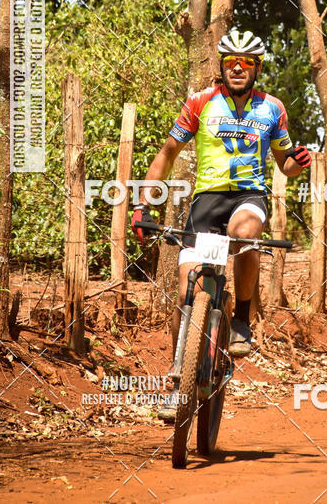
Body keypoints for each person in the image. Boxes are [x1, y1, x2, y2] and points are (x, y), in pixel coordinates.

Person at [131, 28, 311, 420]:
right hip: (206, 200)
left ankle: (242, 317)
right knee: (186, 288)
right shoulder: (200, 102)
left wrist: (298, 161)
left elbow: (286, 165)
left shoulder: (272, 109)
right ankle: (177, 378)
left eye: (247, 62)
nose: (238, 68)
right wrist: (143, 204)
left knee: (244, 234)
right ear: (221, 65)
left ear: (258, 68)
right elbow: (167, 153)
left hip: (250, 196)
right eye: (231, 61)